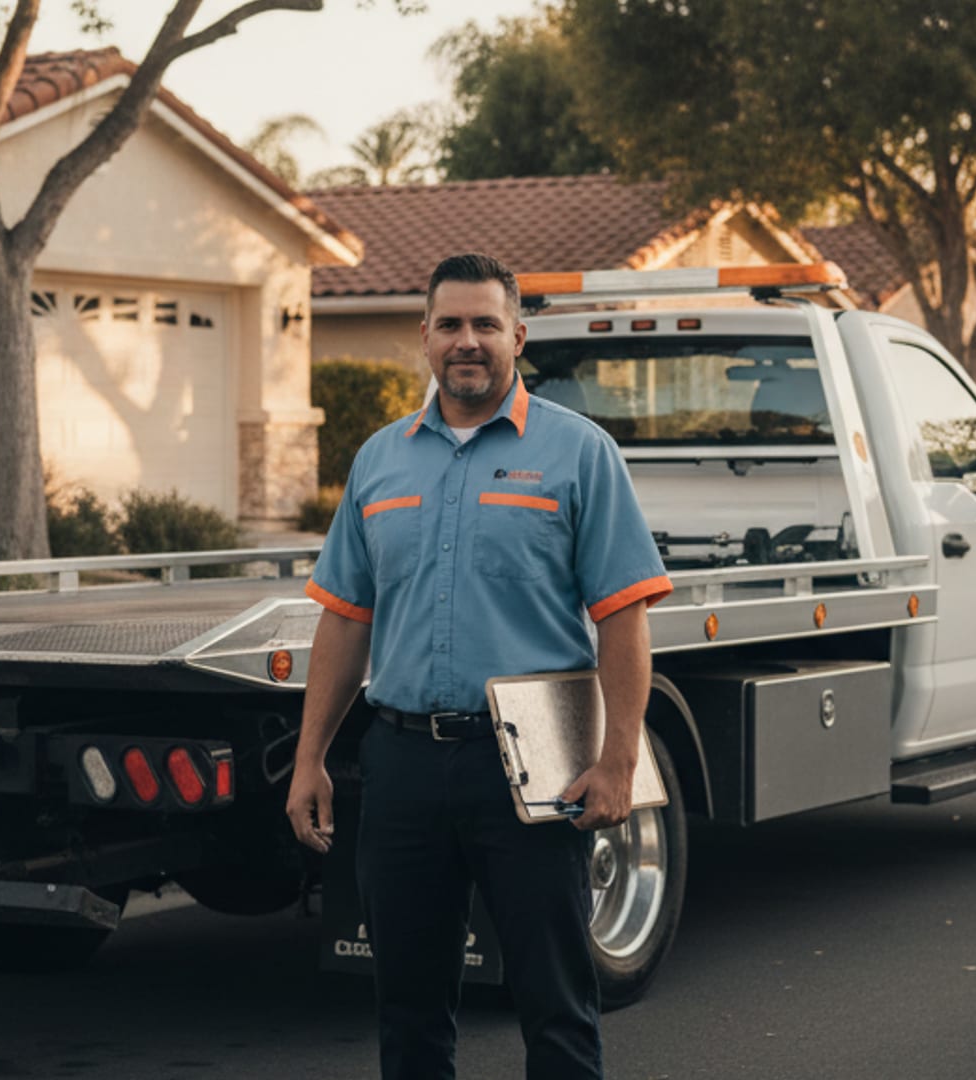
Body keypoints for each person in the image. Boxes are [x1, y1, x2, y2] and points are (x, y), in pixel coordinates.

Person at [285, 252, 672, 1080]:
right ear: (423, 337)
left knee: (554, 1002)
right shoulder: (380, 461)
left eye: (486, 325)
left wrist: (619, 762)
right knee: (409, 1009)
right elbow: (345, 620)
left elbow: (623, 617)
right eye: (451, 324)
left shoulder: (580, 454)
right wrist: (311, 756)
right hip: (401, 767)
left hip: (531, 771)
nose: (469, 341)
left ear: (518, 337)